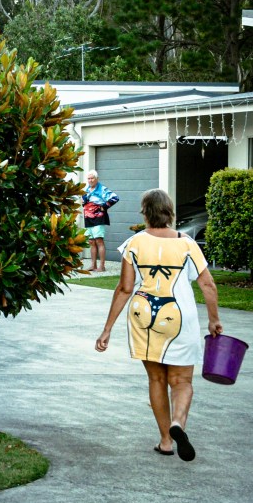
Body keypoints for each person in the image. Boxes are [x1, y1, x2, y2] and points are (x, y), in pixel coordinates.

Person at [95, 188, 222, 460]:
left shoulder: (134, 243)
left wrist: (107, 330)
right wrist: (214, 320)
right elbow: (208, 284)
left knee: (156, 378)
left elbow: (124, 288)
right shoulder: (187, 243)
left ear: (145, 213)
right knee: (181, 380)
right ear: (169, 212)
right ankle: (178, 423)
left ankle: (165, 440)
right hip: (176, 314)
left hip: (143, 314)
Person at [82, 170, 119, 271]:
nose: (90, 180)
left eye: (92, 178)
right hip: (88, 218)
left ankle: (102, 266)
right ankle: (93, 265)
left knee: (99, 240)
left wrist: (104, 207)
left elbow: (115, 198)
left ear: (97, 179)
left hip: (99, 217)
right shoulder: (86, 190)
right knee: (91, 241)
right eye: (88, 178)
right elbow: (83, 201)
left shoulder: (102, 189)